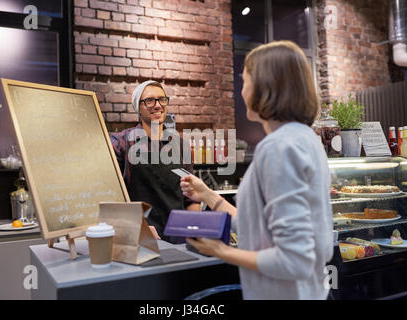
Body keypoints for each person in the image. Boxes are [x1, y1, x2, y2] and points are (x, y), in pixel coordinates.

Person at [180, 41, 334, 299]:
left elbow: (295, 260)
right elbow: (256, 227)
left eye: (245, 81)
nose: (242, 92)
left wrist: (220, 251)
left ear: (265, 87)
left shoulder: (279, 148)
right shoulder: (304, 138)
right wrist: (208, 196)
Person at [110, 80, 200, 243]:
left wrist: (193, 229)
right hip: (139, 236)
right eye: (149, 100)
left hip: (178, 237)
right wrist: (138, 226)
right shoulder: (121, 142)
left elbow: (190, 198)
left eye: (162, 99)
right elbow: (111, 196)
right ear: (138, 107)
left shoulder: (180, 146)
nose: (157, 105)